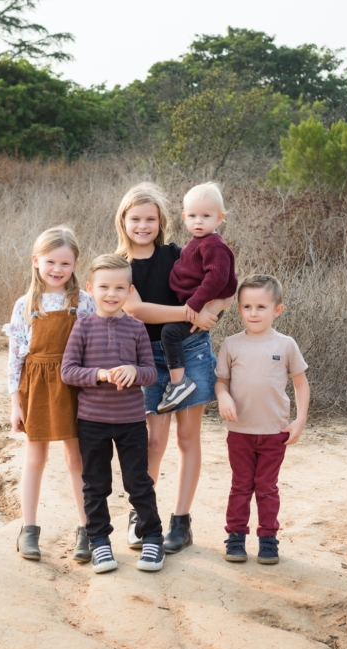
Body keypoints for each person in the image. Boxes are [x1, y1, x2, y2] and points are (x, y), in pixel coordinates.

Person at [116, 183, 232, 554]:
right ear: (124, 221)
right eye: (136, 219)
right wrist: (188, 312)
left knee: (187, 438)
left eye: (150, 219)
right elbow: (136, 309)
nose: (143, 226)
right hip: (146, 356)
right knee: (154, 440)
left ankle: (181, 522)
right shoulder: (121, 265)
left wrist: (213, 310)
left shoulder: (180, 254)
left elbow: (227, 287)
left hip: (191, 349)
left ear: (163, 221)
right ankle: (143, 515)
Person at [60, 254, 165, 573]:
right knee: (95, 484)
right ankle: (100, 542)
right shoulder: (83, 327)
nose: (111, 293)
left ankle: (152, 539)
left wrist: (135, 371)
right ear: (90, 288)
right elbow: (68, 371)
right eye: (104, 287)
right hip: (92, 422)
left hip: (131, 421)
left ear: (129, 290)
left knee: (139, 482)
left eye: (120, 287)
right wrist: (100, 375)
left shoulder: (136, 328)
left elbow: (150, 371)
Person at [3, 226, 93, 563]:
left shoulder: (84, 302)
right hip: (36, 385)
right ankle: (28, 529)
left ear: (76, 264)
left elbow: (95, 345)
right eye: (51, 262)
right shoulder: (25, 305)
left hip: (73, 384)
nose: (57, 270)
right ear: (36, 260)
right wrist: (16, 403)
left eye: (65, 264)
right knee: (35, 458)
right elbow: (15, 359)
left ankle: (87, 529)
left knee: (76, 458)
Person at [214, 274, 310, 565]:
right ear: (239, 309)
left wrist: (300, 420)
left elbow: (301, 383)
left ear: (276, 310)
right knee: (241, 485)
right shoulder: (231, 344)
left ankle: (268, 539)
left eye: (261, 307)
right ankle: (236, 538)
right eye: (246, 307)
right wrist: (223, 397)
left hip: (273, 431)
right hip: (240, 431)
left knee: (267, 487)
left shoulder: (286, 345)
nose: (253, 313)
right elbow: (220, 382)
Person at [158, 182, 237, 413]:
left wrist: (195, 302)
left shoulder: (214, 244)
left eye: (206, 215)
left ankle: (179, 382)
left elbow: (218, 278)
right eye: (192, 215)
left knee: (170, 332)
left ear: (219, 218)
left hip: (202, 304)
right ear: (184, 217)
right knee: (171, 330)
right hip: (197, 303)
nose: (198, 221)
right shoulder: (197, 242)